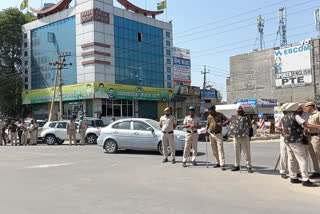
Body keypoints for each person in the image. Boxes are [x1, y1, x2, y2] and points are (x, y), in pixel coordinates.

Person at [282, 103, 320, 187]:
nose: (300, 109)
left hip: (288, 141)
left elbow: (284, 131)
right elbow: (306, 125)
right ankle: (305, 179)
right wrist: (317, 127)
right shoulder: (295, 116)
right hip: (296, 141)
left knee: (291, 159)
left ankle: (293, 177)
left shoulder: (284, 117)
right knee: (302, 159)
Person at [229, 104, 253, 173]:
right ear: (237, 110)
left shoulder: (246, 117)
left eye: (241, 108)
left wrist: (250, 136)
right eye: (239, 108)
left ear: (243, 109)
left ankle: (249, 166)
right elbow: (231, 126)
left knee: (246, 152)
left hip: (245, 137)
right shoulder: (233, 117)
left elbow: (250, 126)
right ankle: (237, 165)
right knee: (236, 152)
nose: (240, 109)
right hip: (236, 137)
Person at [205, 105, 230, 170]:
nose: (210, 112)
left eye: (211, 111)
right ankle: (218, 162)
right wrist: (206, 130)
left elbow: (228, 120)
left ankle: (222, 164)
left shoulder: (220, 114)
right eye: (209, 111)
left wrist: (223, 124)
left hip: (218, 134)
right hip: (211, 134)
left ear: (214, 110)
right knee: (214, 151)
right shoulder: (209, 116)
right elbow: (207, 124)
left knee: (220, 149)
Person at [304, 101, 320, 179]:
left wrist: (310, 126)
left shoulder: (318, 114)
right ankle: (317, 171)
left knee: (318, 154)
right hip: (309, 137)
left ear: (310, 107)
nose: (305, 108)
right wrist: (306, 129)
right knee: (313, 156)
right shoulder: (309, 116)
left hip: (317, 137)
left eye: (306, 107)